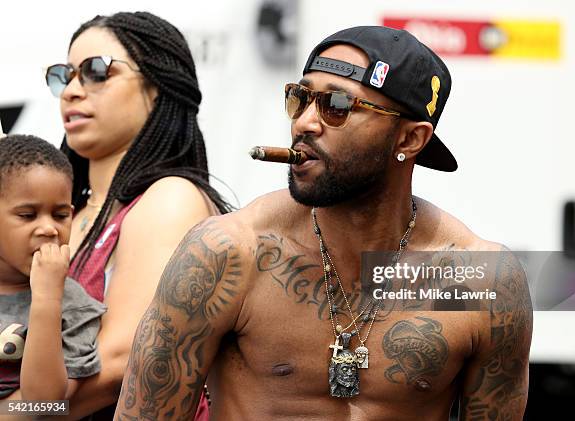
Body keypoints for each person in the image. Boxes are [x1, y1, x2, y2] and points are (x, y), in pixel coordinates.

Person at [115, 26, 533, 420]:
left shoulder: (482, 280)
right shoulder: (230, 252)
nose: (304, 123)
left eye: (337, 106)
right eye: (300, 98)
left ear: (409, 140)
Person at [42, 11, 231, 419]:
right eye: (65, 74)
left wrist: (19, 409)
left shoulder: (169, 199)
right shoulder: (67, 218)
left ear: (158, 87)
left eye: (96, 72)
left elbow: (123, 359)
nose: (72, 90)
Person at [0, 135, 105, 402]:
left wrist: (47, 300)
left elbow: (46, 405)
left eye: (60, 216)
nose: (49, 229)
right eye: (27, 215)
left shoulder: (75, 305)